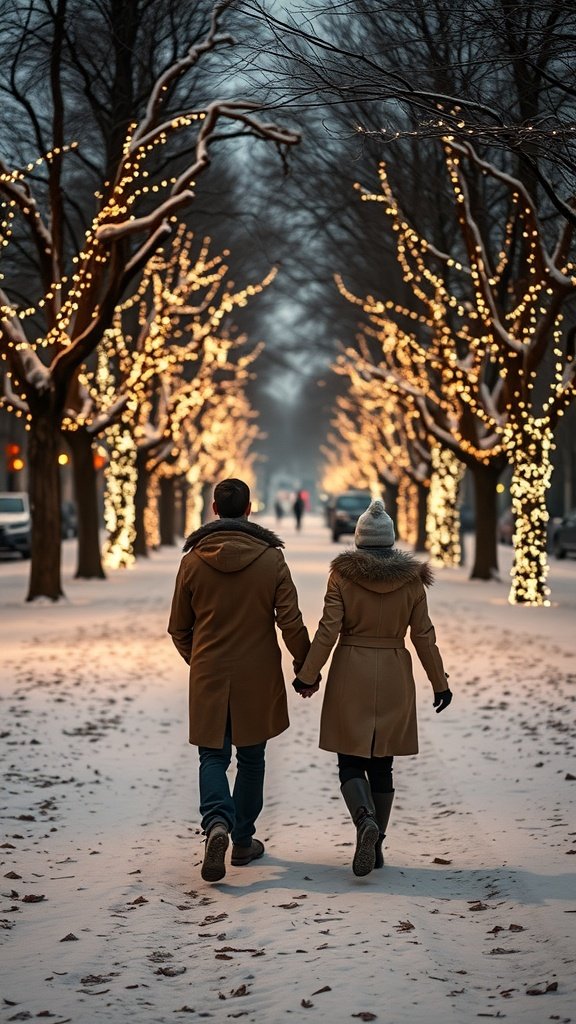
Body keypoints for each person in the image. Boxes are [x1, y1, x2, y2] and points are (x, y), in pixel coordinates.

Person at [292, 498, 452, 877]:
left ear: (359, 540)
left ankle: (363, 818)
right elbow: (423, 635)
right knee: (383, 763)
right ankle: (376, 843)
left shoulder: (343, 577)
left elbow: (329, 628)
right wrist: (439, 683)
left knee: (349, 759)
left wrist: (307, 674)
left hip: (352, 670)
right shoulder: (412, 580)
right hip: (395, 670)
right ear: (390, 541)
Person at [168, 478, 310, 883]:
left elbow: (179, 628)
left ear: (215, 509)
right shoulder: (271, 560)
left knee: (212, 756)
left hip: (210, 672)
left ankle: (216, 823)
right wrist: (305, 668)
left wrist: (199, 660)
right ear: (250, 510)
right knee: (251, 759)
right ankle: (243, 841)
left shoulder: (193, 560)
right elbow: (291, 621)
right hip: (257, 674)